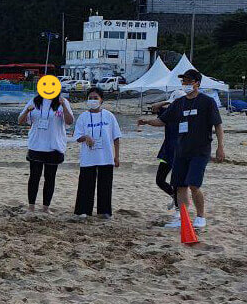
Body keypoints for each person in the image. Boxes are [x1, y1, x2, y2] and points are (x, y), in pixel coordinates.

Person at [138, 69, 225, 229]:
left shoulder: (207, 102)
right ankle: (182, 219)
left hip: (200, 151)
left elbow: (218, 125)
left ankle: (200, 217)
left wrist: (220, 147)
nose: (185, 84)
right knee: (179, 186)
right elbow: (162, 120)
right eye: (183, 81)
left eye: (188, 81)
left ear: (197, 83)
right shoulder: (179, 103)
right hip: (181, 151)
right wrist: (147, 122)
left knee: (194, 185)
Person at [18, 92, 74, 213]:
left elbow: (70, 121)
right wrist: (27, 111)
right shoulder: (34, 101)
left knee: (50, 178)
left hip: (54, 146)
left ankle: (46, 208)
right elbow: (20, 121)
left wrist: (64, 106)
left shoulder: (62, 102)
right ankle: (31, 207)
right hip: (36, 145)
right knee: (34, 177)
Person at [73, 87, 122, 218]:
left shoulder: (109, 116)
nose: (93, 100)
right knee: (85, 185)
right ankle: (83, 211)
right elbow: (77, 136)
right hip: (88, 157)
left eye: (96, 98)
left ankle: (104, 212)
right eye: (90, 98)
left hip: (105, 157)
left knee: (105, 185)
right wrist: (85, 137)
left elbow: (116, 137)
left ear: (101, 100)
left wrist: (117, 156)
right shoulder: (83, 117)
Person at [146, 98, 180, 216]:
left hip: (181, 152)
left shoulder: (187, 115)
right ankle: (175, 197)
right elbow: (154, 107)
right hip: (167, 152)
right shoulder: (168, 112)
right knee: (160, 180)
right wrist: (168, 101)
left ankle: (178, 208)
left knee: (177, 182)